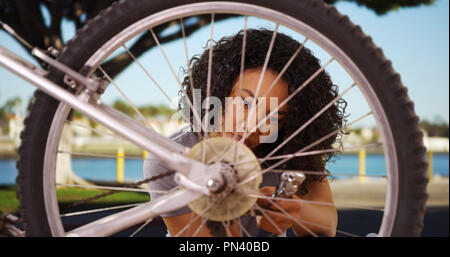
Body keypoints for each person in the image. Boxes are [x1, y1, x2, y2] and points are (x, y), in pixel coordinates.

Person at [144, 29, 347, 237]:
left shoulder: (291, 149)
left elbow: (327, 225)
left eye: (274, 117)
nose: (252, 125)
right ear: (219, 91)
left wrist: (296, 210)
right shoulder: (170, 159)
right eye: (245, 103)